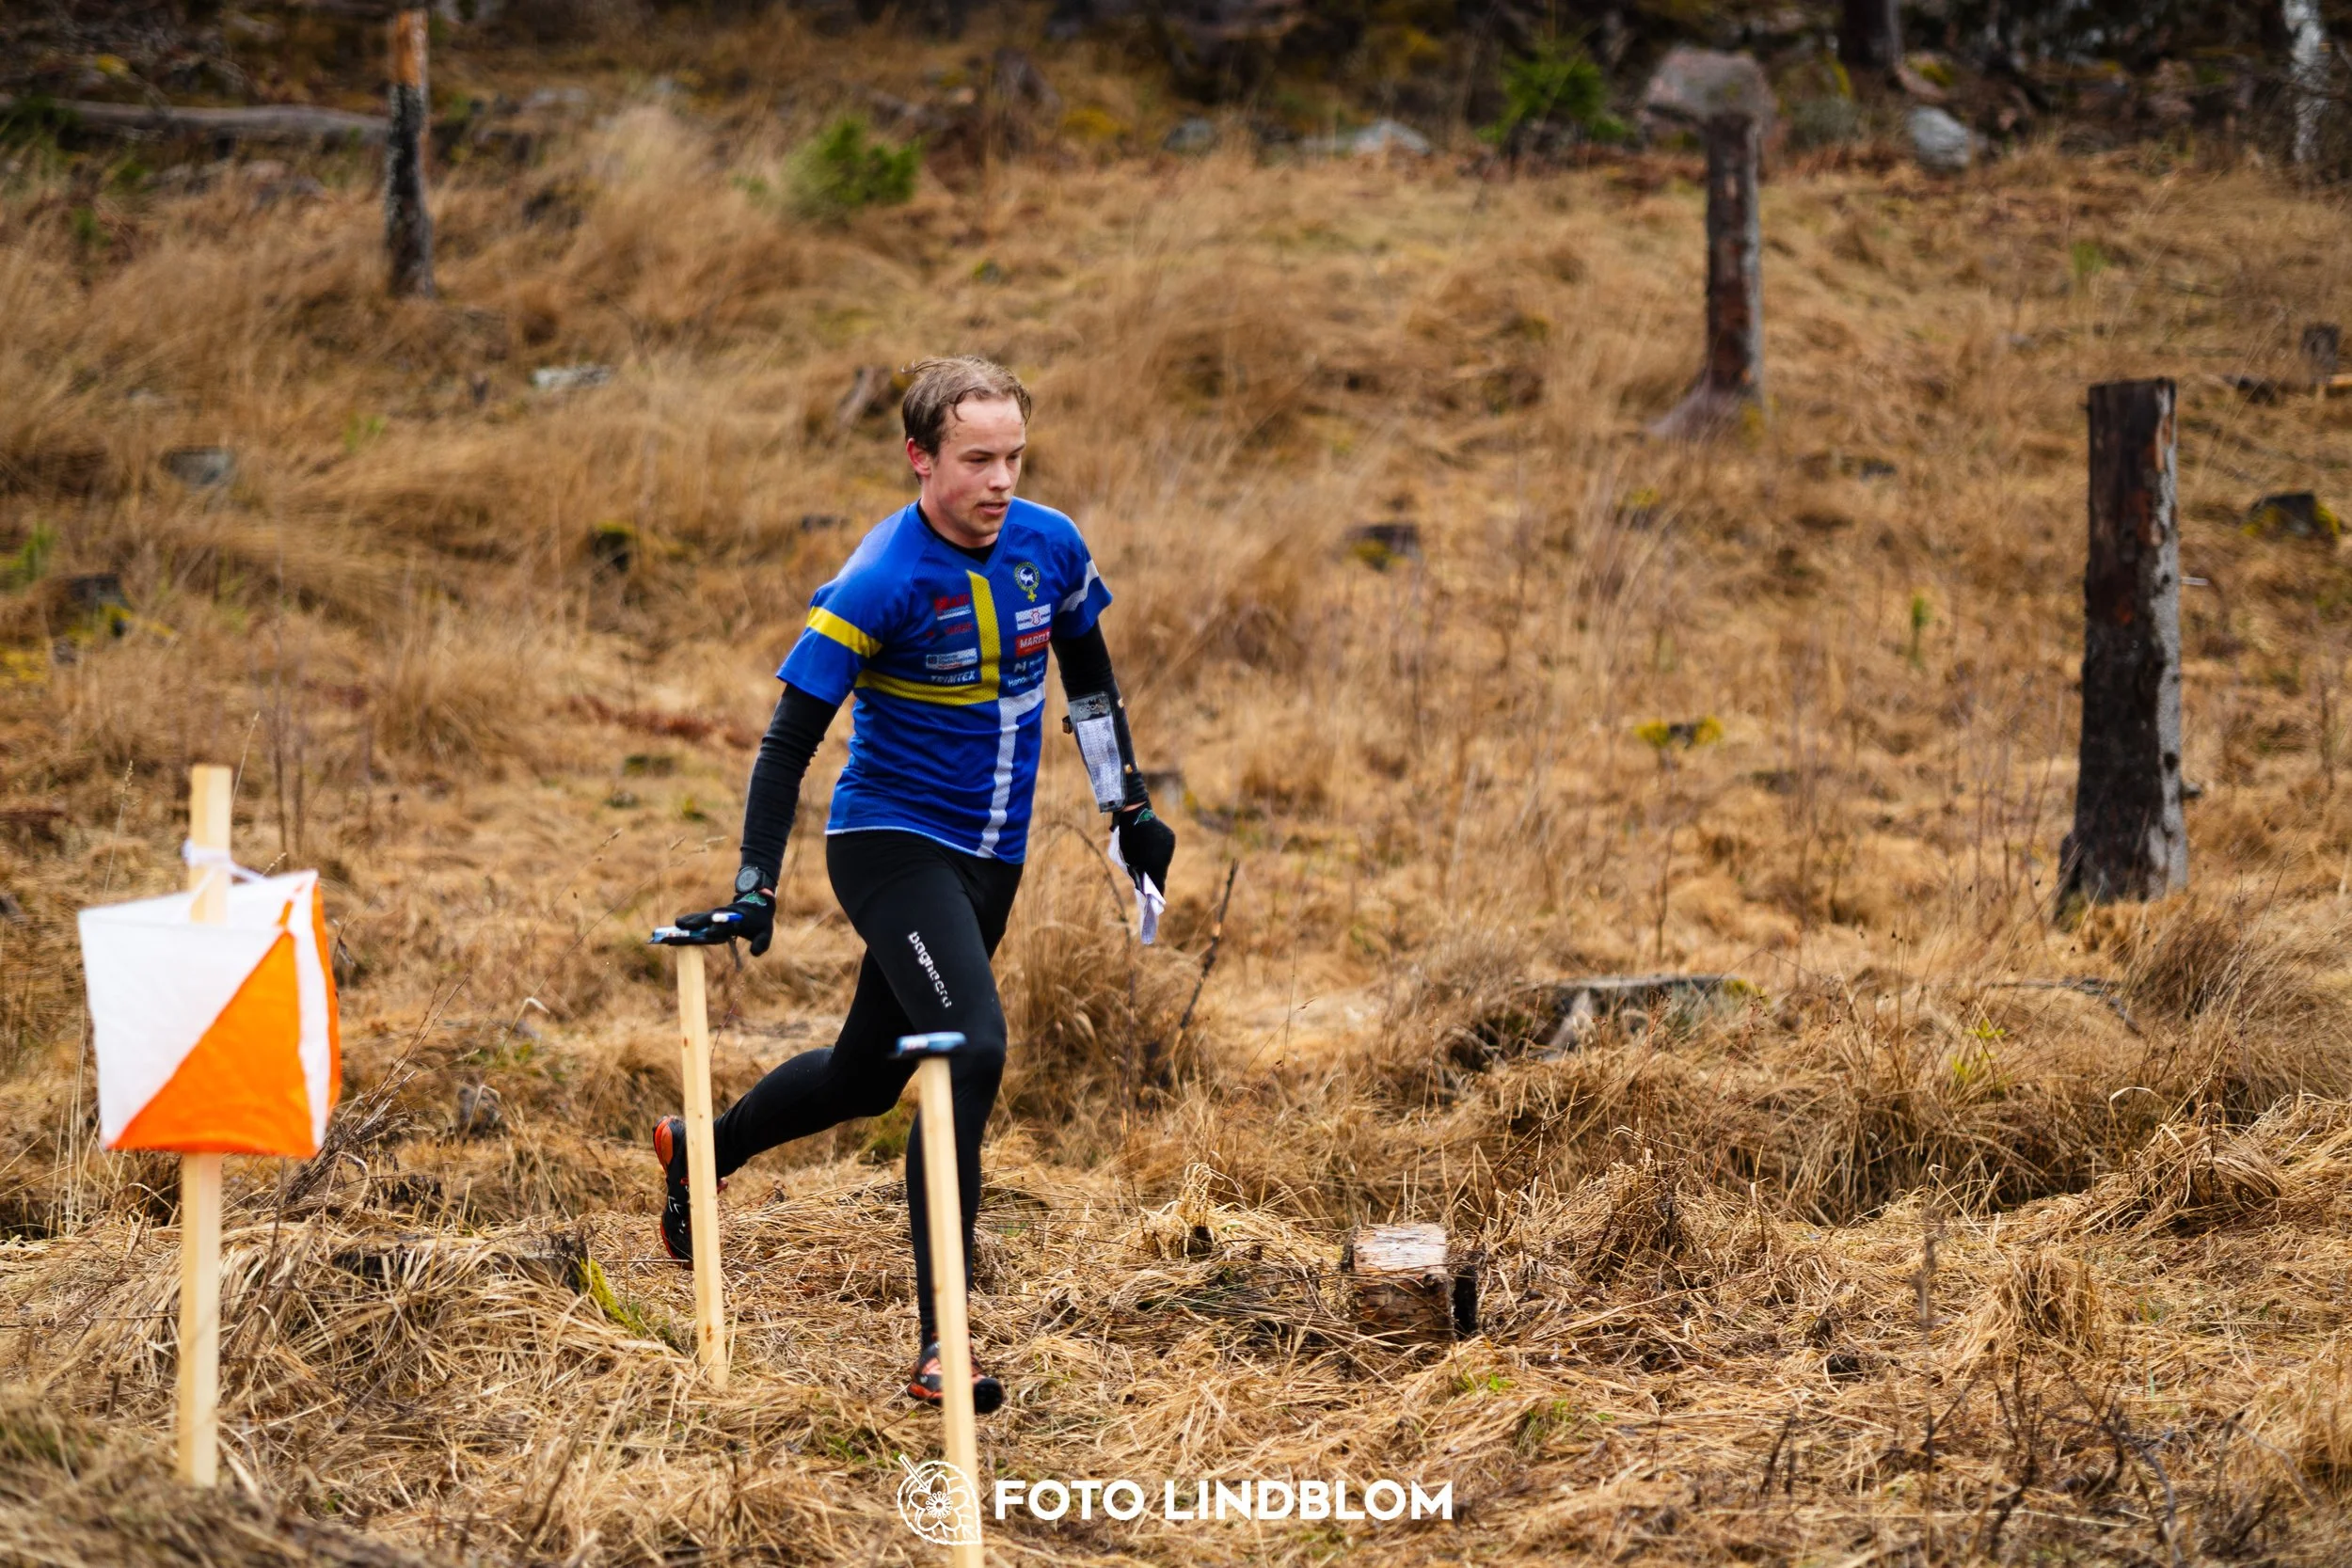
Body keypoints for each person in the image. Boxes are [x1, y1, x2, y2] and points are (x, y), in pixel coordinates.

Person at [650, 356, 1175, 1415]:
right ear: (920, 458)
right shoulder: (880, 578)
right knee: (966, 1047)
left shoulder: (1050, 546)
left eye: (1014, 457)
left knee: (865, 1076)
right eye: (977, 459)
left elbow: (1090, 678)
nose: (1000, 480)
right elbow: (786, 743)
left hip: (992, 857)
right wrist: (755, 882)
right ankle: (945, 1340)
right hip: (889, 845)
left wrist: (1126, 804)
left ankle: (705, 1146)